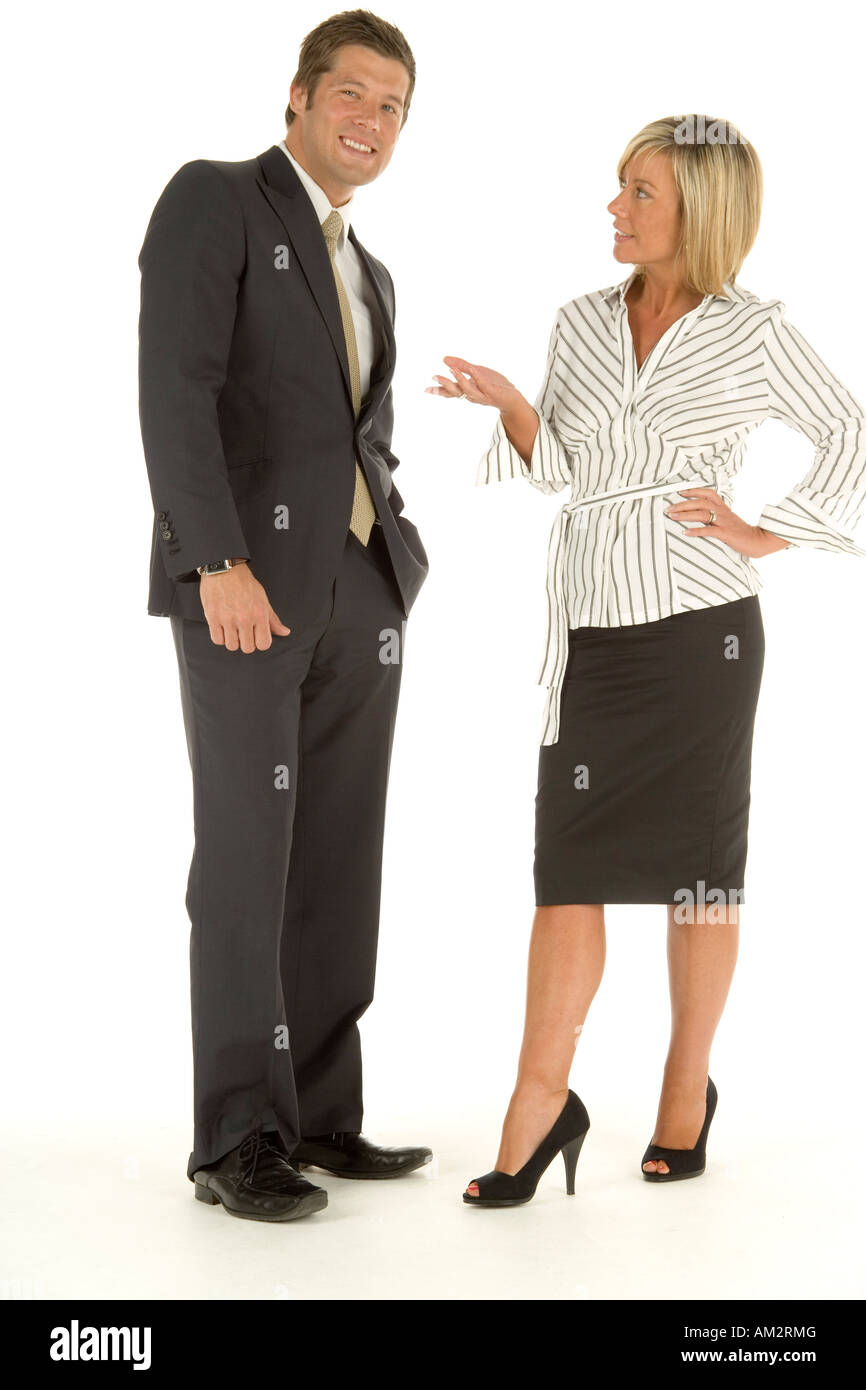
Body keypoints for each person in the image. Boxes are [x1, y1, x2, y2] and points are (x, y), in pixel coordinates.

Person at [427, 114, 866, 1205]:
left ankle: (684, 1089)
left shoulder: (753, 331)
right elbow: (562, 470)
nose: (613, 208)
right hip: (590, 633)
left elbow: (849, 435)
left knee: (700, 875)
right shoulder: (577, 319)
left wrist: (770, 529)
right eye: (617, 187)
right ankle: (538, 1105)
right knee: (564, 868)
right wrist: (515, 405)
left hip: (700, 632)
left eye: (639, 193)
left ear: (697, 214)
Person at [138, 10, 431, 1222]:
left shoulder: (370, 269)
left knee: (336, 858)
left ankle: (317, 1113)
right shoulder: (217, 201)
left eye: (394, 108)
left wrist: (391, 561)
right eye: (352, 94)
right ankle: (234, 1137)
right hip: (244, 594)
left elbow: (356, 431)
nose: (371, 120)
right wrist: (215, 561)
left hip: (358, 596)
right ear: (300, 99)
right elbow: (176, 388)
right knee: (248, 860)